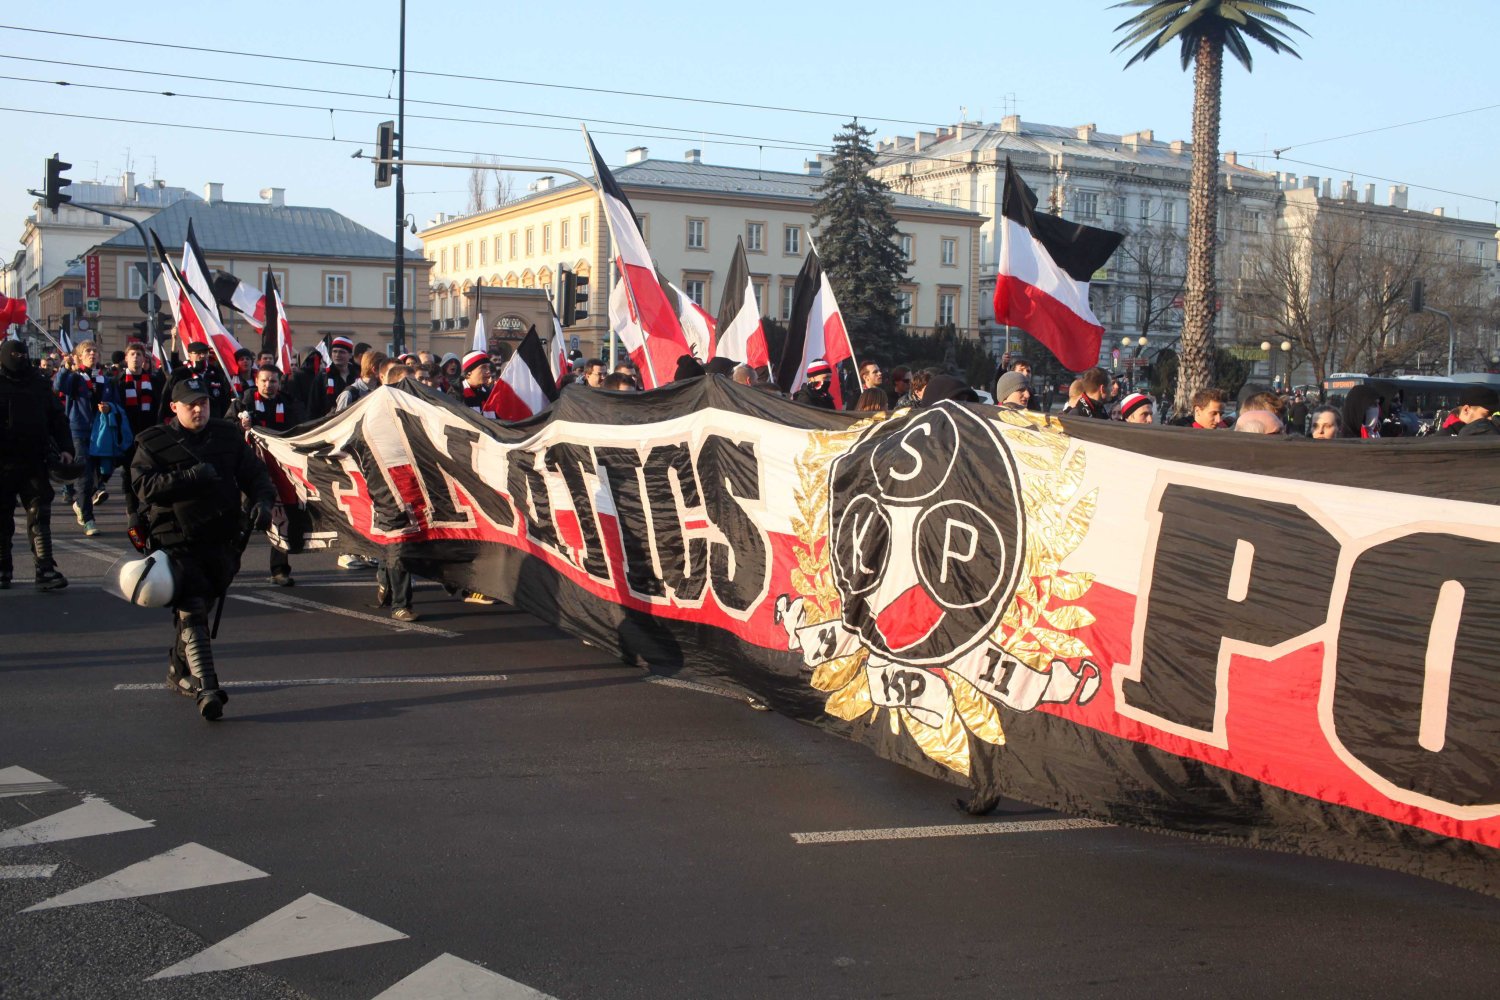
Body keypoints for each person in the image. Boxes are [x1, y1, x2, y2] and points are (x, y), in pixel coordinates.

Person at [131, 377, 276, 720]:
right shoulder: (153, 442)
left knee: (203, 602)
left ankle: (177, 670)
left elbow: (257, 477)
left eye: (204, 403)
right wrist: (189, 478)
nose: (199, 409)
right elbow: (142, 486)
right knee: (193, 603)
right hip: (176, 538)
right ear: (174, 408)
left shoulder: (226, 436)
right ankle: (206, 688)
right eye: (191, 404)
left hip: (222, 536)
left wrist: (263, 503)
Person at [0, 340, 72, 590]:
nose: (18, 358)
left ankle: (45, 568)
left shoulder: (39, 384)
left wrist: (66, 448)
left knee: (39, 515)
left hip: (34, 460)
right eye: (14, 354)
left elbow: (57, 418)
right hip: (3, 462)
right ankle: (2, 568)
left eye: (22, 354)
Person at [232, 365, 307, 586]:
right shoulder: (243, 402)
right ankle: (229, 564)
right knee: (245, 518)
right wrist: (240, 425)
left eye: (273, 381)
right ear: (257, 381)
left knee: (280, 518)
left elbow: (301, 428)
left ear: (279, 383)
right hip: (250, 469)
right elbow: (226, 426)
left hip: (280, 469)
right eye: (264, 381)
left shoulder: (290, 403)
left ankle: (279, 570)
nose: (269, 385)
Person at [53, 340, 121, 536]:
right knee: (84, 476)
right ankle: (89, 519)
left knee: (104, 471)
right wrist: (65, 368)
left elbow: (116, 403)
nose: (92, 354)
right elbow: (59, 386)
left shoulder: (105, 379)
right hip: (80, 431)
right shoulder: (75, 378)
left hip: (101, 432)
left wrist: (109, 408)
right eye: (88, 351)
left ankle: (80, 504)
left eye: (94, 351)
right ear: (80, 356)